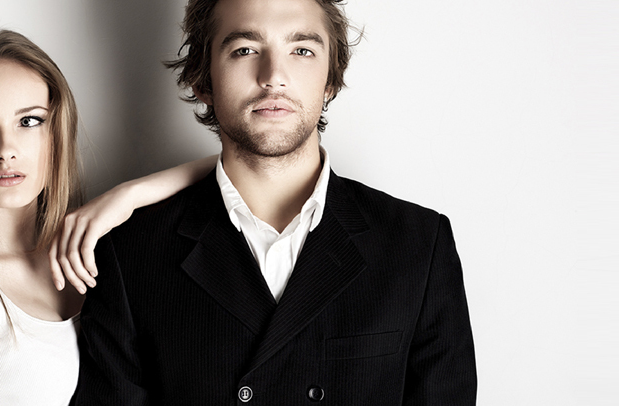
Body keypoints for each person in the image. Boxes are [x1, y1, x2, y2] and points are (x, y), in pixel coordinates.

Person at [74, 0, 477, 404]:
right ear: (203, 80)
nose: (273, 77)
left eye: (301, 50)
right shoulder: (129, 253)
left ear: (331, 79)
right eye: (245, 50)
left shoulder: (418, 245)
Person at [0, 30, 214, 406]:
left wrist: (127, 197)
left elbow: (236, 168)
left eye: (29, 121)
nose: (5, 150)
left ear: (56, 131)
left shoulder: (99, 256)